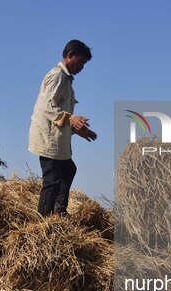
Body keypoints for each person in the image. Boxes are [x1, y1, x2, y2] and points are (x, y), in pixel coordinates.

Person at [28, 39, 98, 216]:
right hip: (47, 138)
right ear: (70, 56)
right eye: (81, 62)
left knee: (68, 169)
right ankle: (42, 222)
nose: (82, 67)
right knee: (52, 181)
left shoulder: (66, 80)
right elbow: (46, 106)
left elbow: (61, 113)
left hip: (57, 139)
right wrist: (72, 119)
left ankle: (59, 211)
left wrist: (77, 128)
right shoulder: (57, 75)